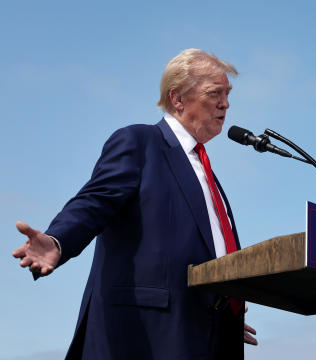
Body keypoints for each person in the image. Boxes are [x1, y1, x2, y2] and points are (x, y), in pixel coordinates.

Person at [12, 48, 258, 359]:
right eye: (215, 93)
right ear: (178, 98)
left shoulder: (209, 176)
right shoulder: (140, 142)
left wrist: (227, 307)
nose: (225, 103)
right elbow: (94, 201)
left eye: (228, 94)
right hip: (147, 335)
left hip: (209, 333)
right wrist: (58, 240)